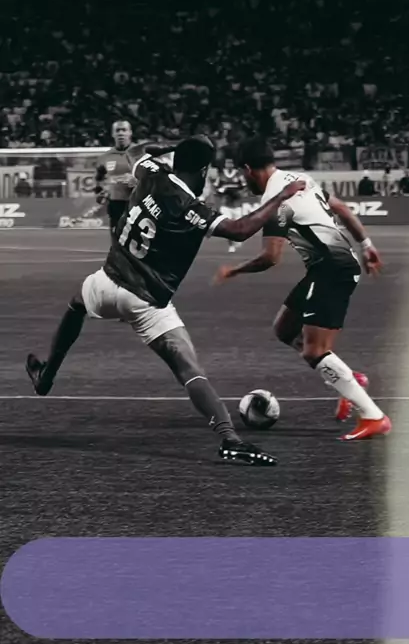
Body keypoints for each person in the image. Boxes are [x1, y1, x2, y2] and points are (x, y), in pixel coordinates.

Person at [26, 136, 305, 465]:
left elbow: (135, 152)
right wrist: (282, 196)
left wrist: (170, 145)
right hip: (147, 302)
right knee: (189, 370)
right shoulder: (191, 208)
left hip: (108, 281)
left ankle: (47, 375)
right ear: (203, 171)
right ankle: (230, 439)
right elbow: (241, 229)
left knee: (76, 304)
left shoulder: (151, 172)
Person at [213, 138, 391, 441]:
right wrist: (366, 244)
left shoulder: (276, 201)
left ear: (248, 169)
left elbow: (271, 257)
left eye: (242, 174)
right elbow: (340, 208)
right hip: (327, 268)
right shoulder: (299, 179)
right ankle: (348, 379)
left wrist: (234, 270)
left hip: (332, 271)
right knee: (285, 328)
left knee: (314, 351)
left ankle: (373, 416)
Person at [95, 121, 135, 236]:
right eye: (117, 131)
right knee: (117, 237)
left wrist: (136, 180)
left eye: (124, 130)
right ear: (113, 134)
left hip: (137, 203)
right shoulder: (105, 157)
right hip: (116, 203)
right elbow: (98, 179)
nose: (121, 133)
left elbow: (152, 177)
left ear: (130, 133)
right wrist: (100, 191)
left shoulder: (140, 154)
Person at [214, 156, 247, 253]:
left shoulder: (238, 174)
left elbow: (245, 187)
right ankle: (231, 245)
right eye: (227, 163)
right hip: (225, 205)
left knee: (238, 226)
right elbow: (215, 188)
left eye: (230, 163)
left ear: (233, 164)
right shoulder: (221, 175)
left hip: (236, 205)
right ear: (225, 165)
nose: (229, 165)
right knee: (228, 227)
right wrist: (221, 191)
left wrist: (240, 194)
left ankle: (237, 241)